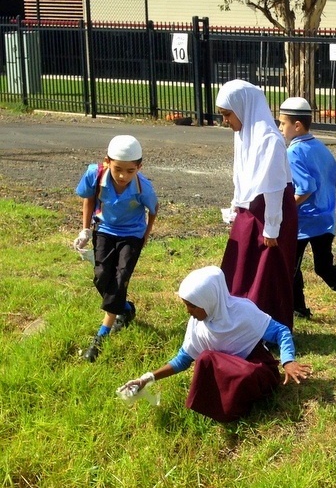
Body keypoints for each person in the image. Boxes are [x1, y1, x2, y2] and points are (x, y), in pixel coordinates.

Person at [119, 266, 311, 423]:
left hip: (256, 371)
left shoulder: (243, 311)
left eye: (192, 305)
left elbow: (280, 332)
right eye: (186, 305)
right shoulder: (198, 325)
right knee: (205, 359)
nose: (188, 311)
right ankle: (221, 410)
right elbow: (182, 360)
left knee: (230, 368)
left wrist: (288, 361)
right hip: (229, 374)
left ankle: (239, 407)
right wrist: (146, 379)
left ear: (209, 300)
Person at [278, 97, 336, 322]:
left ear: (297, 126)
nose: (280, 128)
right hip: (326, 220)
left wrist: (286, 207)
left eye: (283, 123)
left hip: (303, 221)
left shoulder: (293, 152)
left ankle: (298, 309)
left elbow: (306, 187)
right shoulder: (321, 148)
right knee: (323, 265)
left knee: (291, 267)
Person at [216, 79, 298, 330]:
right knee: (240, 263)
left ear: (243, 108)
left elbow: (273, 186)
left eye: (227, 114)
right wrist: (236, 205)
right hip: (251, 210)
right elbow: (242, 175)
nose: (225, 121)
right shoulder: (245, 135)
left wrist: (272, 227)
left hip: (269, 213)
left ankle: (265, 327)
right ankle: (240, 322)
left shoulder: (268, 139)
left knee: (265, 269)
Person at [73, 134, 158, 362]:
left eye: (130, 171)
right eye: (117, 169)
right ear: (107, 162)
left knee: (120, 278)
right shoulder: (95, 174)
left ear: (139, 167)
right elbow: (88, 199)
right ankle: (125, 307)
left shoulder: (143, 187)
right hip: (105, 230)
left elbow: (154, 210)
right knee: (102, 276)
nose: (123, 176)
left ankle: (101, 335)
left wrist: (145, 236)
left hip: (131, 235)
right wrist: (85, 229)